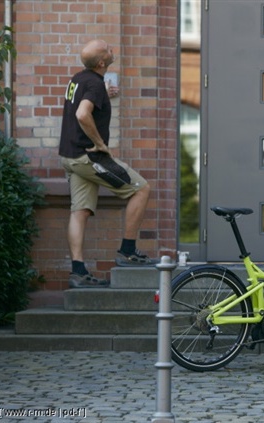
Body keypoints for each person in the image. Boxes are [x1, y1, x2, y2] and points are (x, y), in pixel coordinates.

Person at [59, 39, 155, 289]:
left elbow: (83, 102)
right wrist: (100, 143)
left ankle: (78, 272)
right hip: (87, 156)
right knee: (141, 189)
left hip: (69, 156)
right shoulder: (94, 83)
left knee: (79, 211)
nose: (112, 48)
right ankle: (128, 251)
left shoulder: (80, 78)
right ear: (102, 62)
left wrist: (105, 95)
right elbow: (82, 113)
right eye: (107, 49)